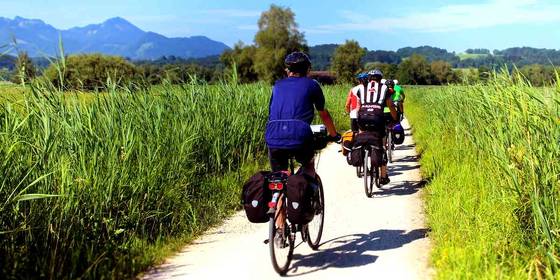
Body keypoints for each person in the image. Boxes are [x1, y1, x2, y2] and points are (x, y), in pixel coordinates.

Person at [265, 51, 339, 178]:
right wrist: (334, 135)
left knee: (278, 178)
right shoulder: (312, 85)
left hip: (273, 135)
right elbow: (323, 114)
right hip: (300, 135)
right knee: (308, 166)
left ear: (288, 70)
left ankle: (277, 196)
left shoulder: (277, 85)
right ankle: (308, 187)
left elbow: (271, 112)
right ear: (307, 69)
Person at [356, 69, 398, 185]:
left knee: (363, 135)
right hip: (377, 117)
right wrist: (395, 118)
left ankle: (364, 154)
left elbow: (358, 106)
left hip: (362, 117)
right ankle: (383, 176)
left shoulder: (361, 87)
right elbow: (390, 106)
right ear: (380, 79)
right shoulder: (384, 88)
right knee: (382, 144)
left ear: (369, 78)